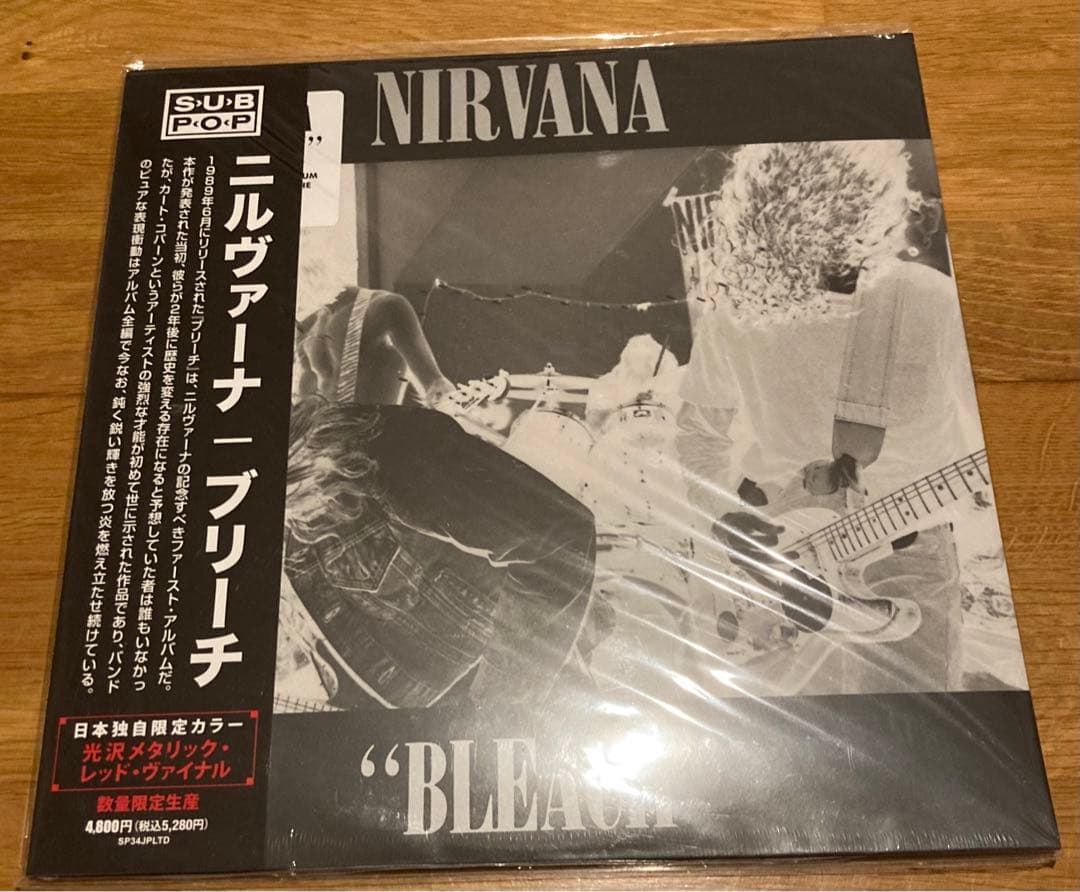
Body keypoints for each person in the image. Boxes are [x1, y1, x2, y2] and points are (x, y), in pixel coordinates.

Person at [675, 140, 1015, 694]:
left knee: (914, 734)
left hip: (903, 561)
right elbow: (698, 432)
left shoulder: (934, 303)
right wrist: (726, 522)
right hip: (771, 559)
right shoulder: (737, 313)